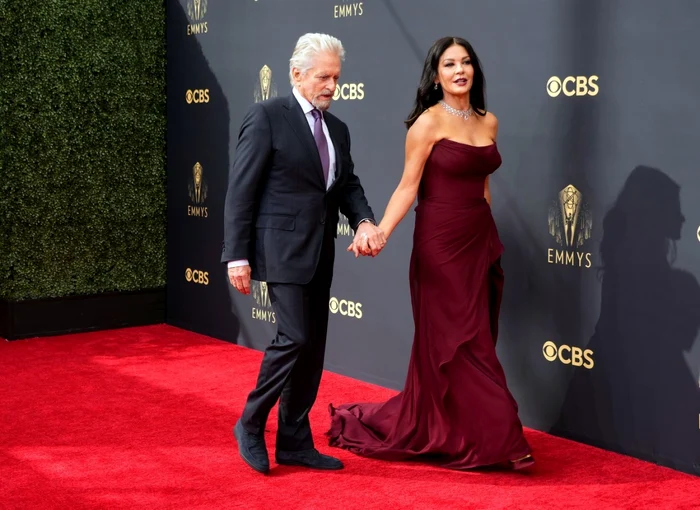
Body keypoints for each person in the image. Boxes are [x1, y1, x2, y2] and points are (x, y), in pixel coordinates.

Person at [327, 36, 534, 470]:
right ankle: (498, 438)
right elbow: (408, 185)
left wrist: (487, 235)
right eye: (449, 64)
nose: (459, 70)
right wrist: (380, 230)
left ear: (474, 70)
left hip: (479, 238)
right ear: (436, 75)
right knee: (455, 339)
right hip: (439, 244)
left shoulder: (489, 122)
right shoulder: (427, 123)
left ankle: (466, 431)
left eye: (466, 63)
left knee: (477, 334)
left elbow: (483, 186)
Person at [222, 33, 386, 474]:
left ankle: (294, 441)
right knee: (293, 336)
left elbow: (347, 185)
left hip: (320, 252)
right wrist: (236, 254)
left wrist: (366, 221)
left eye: (336, 77)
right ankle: (251, 423)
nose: (332, 85)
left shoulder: (338, 130)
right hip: (279, 249)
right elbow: (241, 190)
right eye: (323, 77)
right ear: (297, 74)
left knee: (311, 349)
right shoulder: (267, 116)